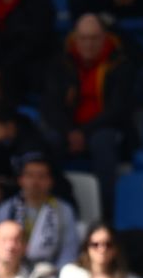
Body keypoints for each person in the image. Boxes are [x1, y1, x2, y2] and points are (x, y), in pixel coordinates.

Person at [40, 14, 135, 221]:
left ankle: (107, 217)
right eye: (83, 38)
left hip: (104, 127)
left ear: (104, 38)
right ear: (74, 38)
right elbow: (50, 106)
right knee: (50, 141)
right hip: (69, 128)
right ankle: (53, 212)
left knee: (103, 142)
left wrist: (83, 133)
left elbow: (118, 109)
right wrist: (70, 132)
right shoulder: (61, 63)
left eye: (94, 38)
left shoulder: (119, 63)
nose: (88, 44)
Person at [0, 155, 81, 269]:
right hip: (13, 273)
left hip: (50, 272)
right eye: (30, 175)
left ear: (50, 181)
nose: (35, 182)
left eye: (41, 176)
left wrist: (56, 275)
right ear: (21, 180)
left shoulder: (64, 210)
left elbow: (69, 250)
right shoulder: (6, 209)